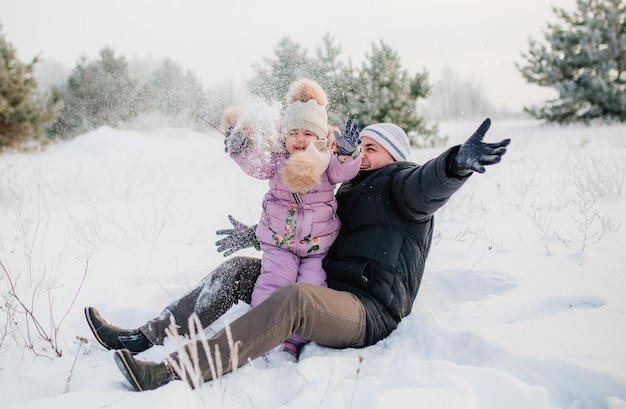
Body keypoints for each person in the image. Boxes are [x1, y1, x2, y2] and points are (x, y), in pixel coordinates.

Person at [84, 118, 511, 391]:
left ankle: (174, 371)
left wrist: (455, 165)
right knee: (239, 272)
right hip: (324, 283)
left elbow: (427, 183)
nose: (360, 154)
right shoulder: (345, 189)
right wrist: (256, 235)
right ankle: (143, 336)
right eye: (357, 145)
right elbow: (310, 228)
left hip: (365, 309)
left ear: (394, 158)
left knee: (295, 301)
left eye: (371, 149)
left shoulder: (401, 185)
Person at [221, 78, 362, 358]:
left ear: (320, 137)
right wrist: (242, 149)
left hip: (317, 249)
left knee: (310, 288)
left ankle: (296, 340)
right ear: (284, 136)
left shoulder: (326, 163)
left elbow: (346, 171)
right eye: (293, 133)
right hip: (278, 243)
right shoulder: (276, 161)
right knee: (273, 283)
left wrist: (348, 154)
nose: (299, 139)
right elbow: (256, 164)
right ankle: (257, 335)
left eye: (307, 133)